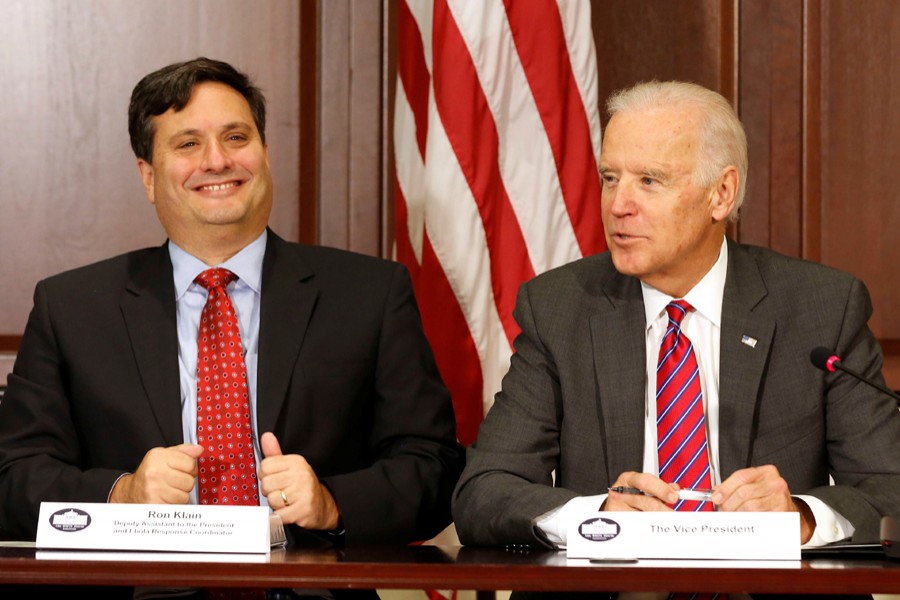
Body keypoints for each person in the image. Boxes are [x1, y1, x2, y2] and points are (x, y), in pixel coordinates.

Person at [0, 57, 465, 598]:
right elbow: (11, 478)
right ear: (148, 176)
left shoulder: (368, 294)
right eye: (188, 144)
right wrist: (121, 495)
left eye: (236, 137)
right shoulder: (73, 306)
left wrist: (332, 502)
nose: (217, 161)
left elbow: (434, 467)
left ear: (265, 154)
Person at [452, 81, 900, 599]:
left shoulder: (821, 307)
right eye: (610, 177)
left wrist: (799, 517)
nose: (619, 204)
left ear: (721, 194)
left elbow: (890, 488)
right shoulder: (560, 307)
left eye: (649, 180)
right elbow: (482, 492)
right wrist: (596, 516)